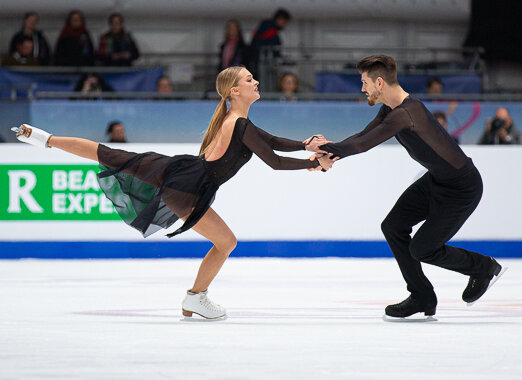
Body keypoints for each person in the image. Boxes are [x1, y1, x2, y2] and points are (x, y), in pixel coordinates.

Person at [12, 66, 335, 319]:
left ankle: (43, 138)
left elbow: (275, 142)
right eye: (249, 80)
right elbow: (275, 162)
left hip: (184, 177)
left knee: (113, 155)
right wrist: (311, 165)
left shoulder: (238, 120)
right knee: (226, 242)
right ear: (235, 91)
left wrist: (306, 145)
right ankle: (195, 297)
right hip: (187, 186)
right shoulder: (237, 124)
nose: (256, 83)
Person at [316, 55, 506, 319]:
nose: (362, 89)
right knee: (393, 226)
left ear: (379, 82)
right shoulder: (391, 110)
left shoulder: (406, 114)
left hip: (462, 188)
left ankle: (482, 267)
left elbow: (363, 145)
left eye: (364, 83)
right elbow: (362, 135)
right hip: (436, 180)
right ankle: (422, 296)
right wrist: (330, 151)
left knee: (423, 248)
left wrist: (325, 150)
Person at [249, 8, 292, 77]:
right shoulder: (270, 31)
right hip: (260, 64)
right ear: (279, 19)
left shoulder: (264, 27)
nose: (284, 25)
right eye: (284, 22)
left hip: (254, 63)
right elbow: (274, 51)